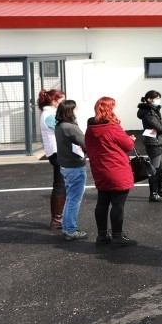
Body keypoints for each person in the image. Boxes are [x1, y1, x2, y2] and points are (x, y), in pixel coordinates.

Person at [84, 96, 137, 246]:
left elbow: (89, 146)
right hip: (116, 168)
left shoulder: (90, 128)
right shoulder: (113, 127)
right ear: (109, 109)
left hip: (100, 169)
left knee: (102, 202)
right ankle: (117, 237)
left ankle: (101, 236)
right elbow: (128, 146)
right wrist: (130, 139)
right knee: (118, 204)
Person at [54, 100, 88, 241]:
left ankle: (67, 227)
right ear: (70, 111)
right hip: (75, 166)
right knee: (74, 200)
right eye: (75, 109)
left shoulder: (59, 126)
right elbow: (86, 143)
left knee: (70, 199)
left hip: (66, 166)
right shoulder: (71, 127)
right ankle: (70, 230)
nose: (76, 112)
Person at [137, 90, 162, 203]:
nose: (158, 100)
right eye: (156, 98)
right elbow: (160, 128)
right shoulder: (148, 113)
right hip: (153, 143)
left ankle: (160, 191)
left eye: (159, 98)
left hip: (158, 142)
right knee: (154, 169)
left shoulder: (154, 111)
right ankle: (153, 194)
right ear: (149, 99)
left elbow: (161, 125)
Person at [37, 88, 67, 230]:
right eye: (62, 101)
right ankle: (57, 219)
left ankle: (59, 218)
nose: (64, 104)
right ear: (54, 101)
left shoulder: (50, 113)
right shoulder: (49, 115)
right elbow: (64, 129)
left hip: (56, 152)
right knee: (60, 185)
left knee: (61, 184)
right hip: (57, 153)